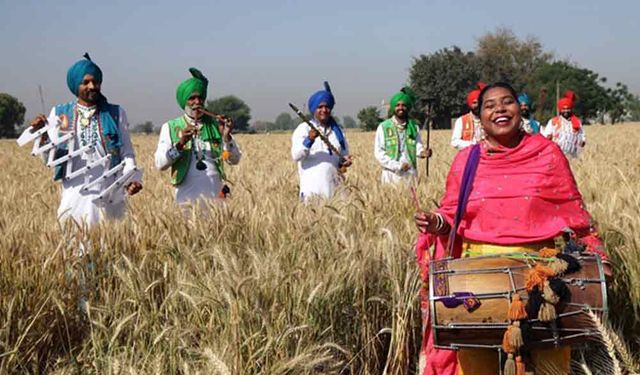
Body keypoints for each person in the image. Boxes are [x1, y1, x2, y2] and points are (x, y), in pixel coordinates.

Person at [414, 82, 610, 375]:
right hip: (477, 281)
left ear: (520, 109)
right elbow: (451, 216)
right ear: (479, 117)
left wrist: (598, 257)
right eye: (490, 105)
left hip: (541, 277)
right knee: (476, 365)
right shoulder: (466, 161)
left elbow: (575, 215)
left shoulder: (547, 153)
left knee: (551, 364)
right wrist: (435, 223)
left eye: (507, 102)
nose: (500, 109)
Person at [29, 53, 142, 226]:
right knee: (74, 247)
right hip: (74, 196)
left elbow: (126, 152)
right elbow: (49, 159)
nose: (92, 86)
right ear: (76, 85)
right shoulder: (59, 114)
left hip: (109, 196)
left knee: (111, 247)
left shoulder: (115, 113)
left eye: (96, 82)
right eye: (86, 82)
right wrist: (43, 136)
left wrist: (130, 180)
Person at [155, 68, 241, 204]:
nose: (197, 102)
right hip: (186, 201)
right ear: (184, 102)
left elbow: (234, 160)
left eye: (200, 98)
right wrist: (180, 144)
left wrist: (226, 136)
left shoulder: (215, 125)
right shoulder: (170, 127)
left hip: (217, 200)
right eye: (192, 98)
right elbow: (160, 164)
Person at [291, 81, 353, 201]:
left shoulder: (338, 132)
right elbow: (296, 156)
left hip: (335, 193)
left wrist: (344, 162)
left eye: (327, 107)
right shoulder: (304, 129)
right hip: (312, 192)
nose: (324, 110)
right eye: (320, 107)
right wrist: (309, 140)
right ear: (314, 109)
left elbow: (343, 156)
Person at [374, 87, 430, 184]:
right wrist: (397, 165)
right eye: (398, 105)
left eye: (404, 105)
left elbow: (417, 145)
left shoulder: (413, 127)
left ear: (407, 107)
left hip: (410, 174)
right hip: (391, 175)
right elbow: (379, 153)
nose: (400, 108)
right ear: (393, 107)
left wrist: (422, 152)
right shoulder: (384, 127)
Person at [541, 90, 586, 158]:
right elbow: (546, 137)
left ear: (571, 109)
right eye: (563, 109)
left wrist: (581, 142)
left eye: (568, 108)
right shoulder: (553, 122)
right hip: (555, 156)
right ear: (560, 110)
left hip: (573, 157)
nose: (566, 111)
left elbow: (582, 138)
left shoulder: (577, 122)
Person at [451, 83, 486, 150]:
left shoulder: (489, 119)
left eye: (480, 102)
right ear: (470, 104)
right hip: (468, 155)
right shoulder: (461, 120)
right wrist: (474, 144)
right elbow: (455, 142)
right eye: (475, 103)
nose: (478, 105)